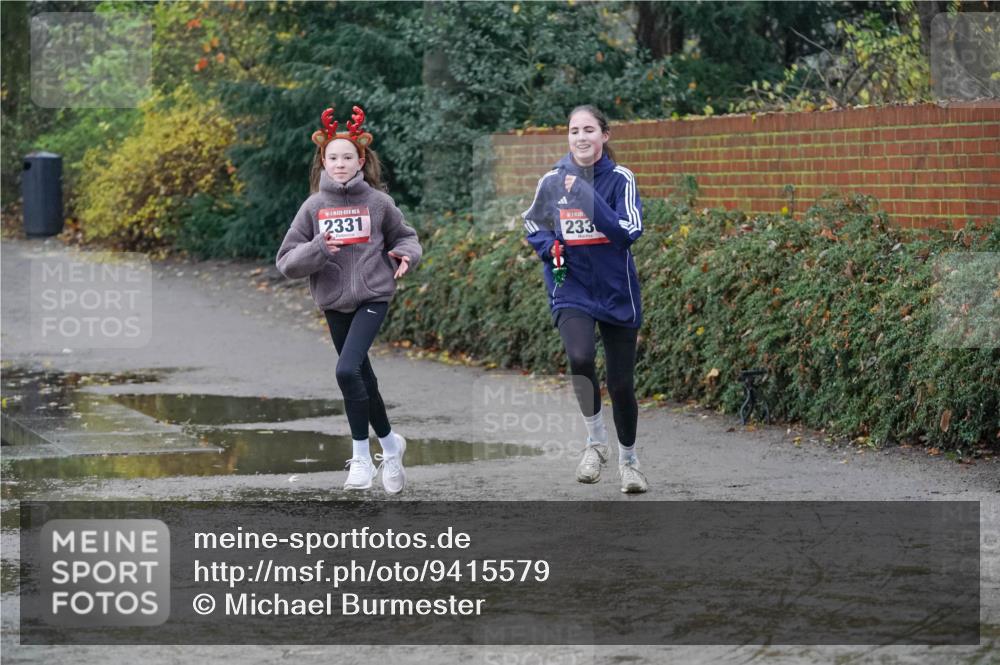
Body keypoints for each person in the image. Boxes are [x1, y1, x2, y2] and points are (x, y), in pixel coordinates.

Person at [276, 104, 421, 494]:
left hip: (373, 295)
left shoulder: (378, 203)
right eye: (333, 157)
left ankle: (361, 457)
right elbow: (286, 262)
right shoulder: (313, 207)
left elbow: (405, 237)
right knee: (362, 376)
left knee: (345, 371)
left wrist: (406, 255)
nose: (340, 164)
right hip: (333, 300)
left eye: (348, 157)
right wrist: (320, 247)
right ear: (323, 160)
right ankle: (391, 447)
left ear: (361, 161)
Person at [522, 104, 648, 493]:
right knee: (579, 358)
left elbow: (628, 231)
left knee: (621, 384)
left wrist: (588, 197)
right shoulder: (553, 179)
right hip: (570, 285)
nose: (581, 137)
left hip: (615, 292)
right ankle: (596, 443)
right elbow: (533, 222)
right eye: (575, 130)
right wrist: (549, 247)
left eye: (589, 130)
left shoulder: (621, 179)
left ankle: (629, 461)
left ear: (604, 136)